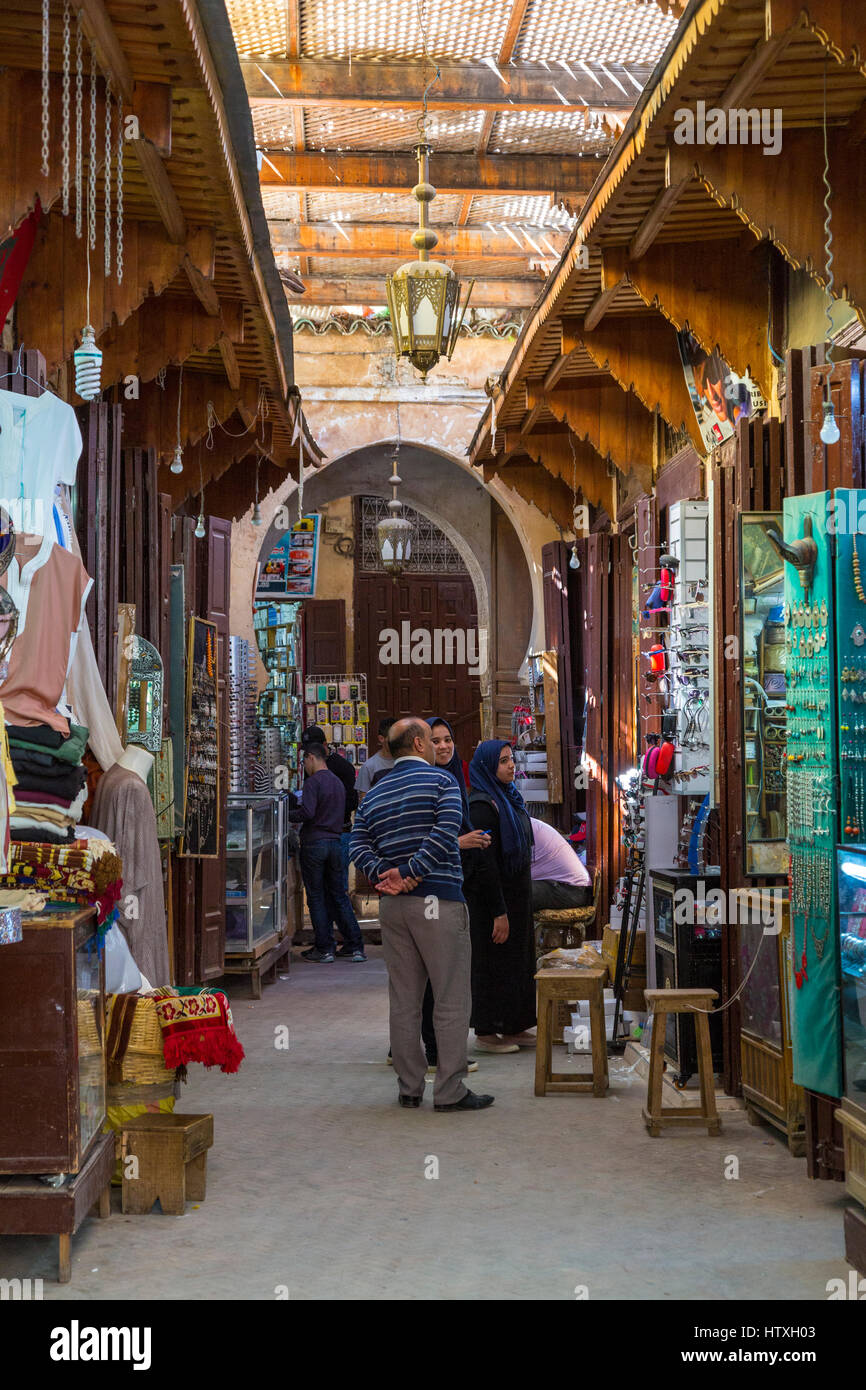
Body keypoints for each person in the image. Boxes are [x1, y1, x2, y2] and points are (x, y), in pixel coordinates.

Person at [350, 716, 494, 1112]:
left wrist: (385, 873)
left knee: (404, 999)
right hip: (439, 902)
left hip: (394, 907)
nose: (437, 747)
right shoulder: (442, 782)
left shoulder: (376, 793)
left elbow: (357, 845)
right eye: (431, 740)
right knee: (450, 997)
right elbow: (446, 830)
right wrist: (411, 872)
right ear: (417, 745)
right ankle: (449, 1091)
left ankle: (409, 1087)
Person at [464, 739, 536, 1053]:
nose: (511, 765)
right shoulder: (482, 805)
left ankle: (513, 1025)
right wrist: (498, 911)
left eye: (511, 759)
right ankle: (487, 1031)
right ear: (487, 766)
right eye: (503, 760)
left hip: (516, 896)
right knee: (493, 962)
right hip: (494, 900)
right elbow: (484, 864)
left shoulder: (508, 796)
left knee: (516, 961)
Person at [289, 743, 366, 964]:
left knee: (316, 897)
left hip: (314, 844)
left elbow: (307, 812)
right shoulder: (337, 782)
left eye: (304, 760)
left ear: (312, 757)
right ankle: (355, 945)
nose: (304, 765)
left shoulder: (314, 783)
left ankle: (324, 947)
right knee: (339, 895)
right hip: (336, 842)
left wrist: (286, 812)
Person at [529, 816, 592, 912]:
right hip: (566, 886)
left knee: (517, 893)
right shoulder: (528, 825)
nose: (577, 846)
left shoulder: (524, 828)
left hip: (572, 890)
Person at [355, 716, 395, 798]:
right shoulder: (369, 766)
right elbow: (363, 801)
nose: (397, 743)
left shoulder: (405, 761)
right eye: (393, 739)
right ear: (381, 738)